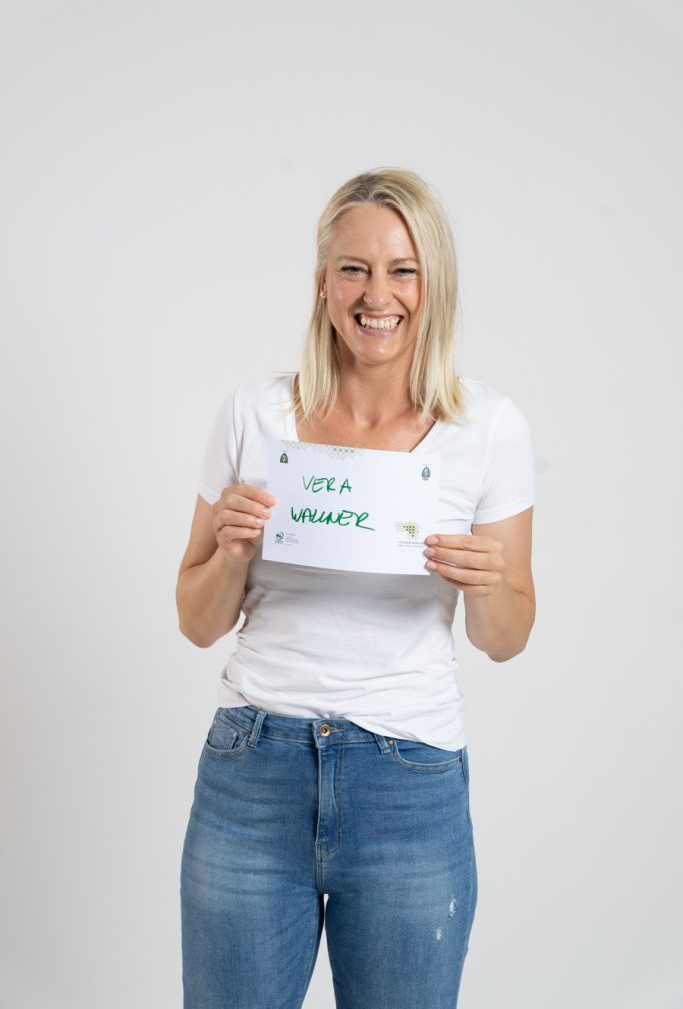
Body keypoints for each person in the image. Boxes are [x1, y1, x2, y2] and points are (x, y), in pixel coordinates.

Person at [176, 166, 536, 1009]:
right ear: (322, 281)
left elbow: (506, 636)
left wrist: (486, 585)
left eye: (402, 270)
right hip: (251, 771)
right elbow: (196, 621)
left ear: (433, 283)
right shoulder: (254, 416)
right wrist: (230, 551)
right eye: (353, 269)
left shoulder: (486, 429)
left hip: (407, 778)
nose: (378, 295)